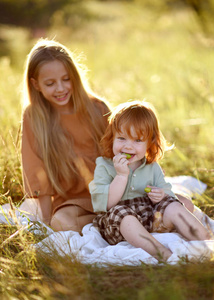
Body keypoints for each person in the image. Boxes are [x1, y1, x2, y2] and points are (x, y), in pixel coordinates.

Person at [89, 100, 211, 261]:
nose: (128, 146)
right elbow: (106, 204)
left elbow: (167, 193)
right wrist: (121, 176)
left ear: (149, 143)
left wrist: (161, 195)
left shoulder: (152, 167)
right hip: (119, 226)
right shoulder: (104, 166)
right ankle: (163, 253)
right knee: (123, 214)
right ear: (112, 138)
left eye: (137, 140)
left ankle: (207, 244)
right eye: (122, 138)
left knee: (174, 205)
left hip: (152, 219)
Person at [20, 38, 110, 232]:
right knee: (61, 223)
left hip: (112, 193)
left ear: (74, 77)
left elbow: (123, 151)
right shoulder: (34, 117)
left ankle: (118, 218)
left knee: (181, 204)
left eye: (66, 79)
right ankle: (111, 222)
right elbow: (36, 172)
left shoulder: (97, 108)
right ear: (36, 85)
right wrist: (45, 220)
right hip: (74, 202)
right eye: (50, 83)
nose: (60, 89)